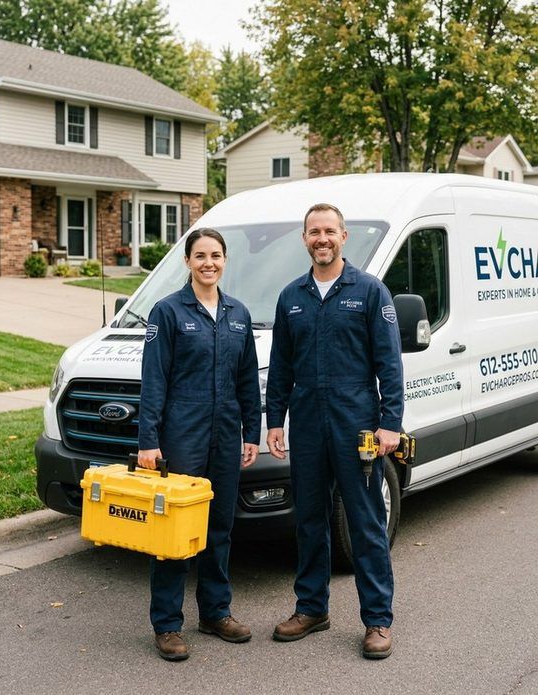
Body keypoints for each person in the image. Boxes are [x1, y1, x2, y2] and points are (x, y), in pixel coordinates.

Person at [265, 203, 403, 659]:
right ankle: (311, 609)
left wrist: (390, 423)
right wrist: (273, 420)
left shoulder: (368, 292)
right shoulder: (292, 297)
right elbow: (281, 366)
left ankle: (378, 620)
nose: (321, 239)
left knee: (364, 522)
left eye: (329, 231)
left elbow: (389, 363)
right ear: (304, 239)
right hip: (306, 421)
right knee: (308, 519)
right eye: (313, 232)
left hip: (356, 421)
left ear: (343, 236)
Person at [137, 228, 261, 661]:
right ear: (187, 261)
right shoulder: (167, 312)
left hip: (226, 433)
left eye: (216, 255)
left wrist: (252, 433)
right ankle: (167, 625)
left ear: (225, 261)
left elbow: (248, 381)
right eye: (200, 255)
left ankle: (215, 612)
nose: (209, 263)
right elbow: (153, 381)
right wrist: (148, 442)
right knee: (174, 532)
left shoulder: (238, 313)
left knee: (220, 528)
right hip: (182, 434)